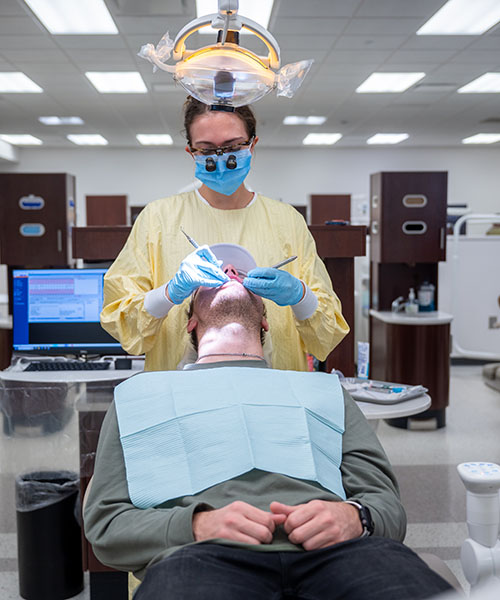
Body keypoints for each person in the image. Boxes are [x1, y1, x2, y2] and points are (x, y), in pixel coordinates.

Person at [84, 271, 453, 599]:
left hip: (341, 552)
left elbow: (387, 505)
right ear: (190, 322)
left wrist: (356, 517)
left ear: (264, 321)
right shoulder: (141, 394)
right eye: (216, 274)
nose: (229, 272)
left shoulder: (324, 391)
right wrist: (195, 525)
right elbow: (106, 525)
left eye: (239, 272)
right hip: (198, 557)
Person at [100, 97, 349, 372]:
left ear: (252, 144)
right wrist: (169, 293)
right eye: (207, 149)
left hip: (276, 393)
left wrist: (300, 297)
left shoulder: (286, 221)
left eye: (232, 147)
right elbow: (121, 326)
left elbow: (328, 335)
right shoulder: (159, 219)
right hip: (180, 397)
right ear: (191, 152)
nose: (221, 158)